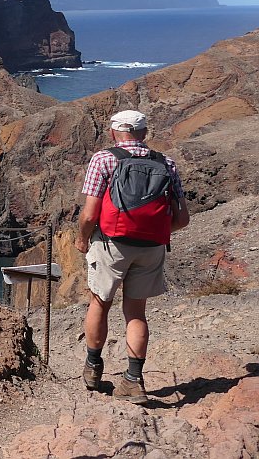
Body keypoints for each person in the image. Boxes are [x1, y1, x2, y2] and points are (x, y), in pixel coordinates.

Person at [76, 109, 190, 404]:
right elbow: (182, 218)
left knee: (100, 303)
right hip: (151, 247)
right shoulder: (166, 163)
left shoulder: (104, 159)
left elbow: (90, 213)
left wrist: (82, 239)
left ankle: (93, 369)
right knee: (136, 312)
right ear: (144, 133)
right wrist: (156, 234)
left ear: (114, 132)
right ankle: (133, 381)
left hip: (112, 243)